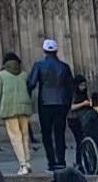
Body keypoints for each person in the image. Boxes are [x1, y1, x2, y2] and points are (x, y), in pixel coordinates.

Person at [27, 39, 75, 173]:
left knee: (46, 133)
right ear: (56, 51)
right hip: (61, 103)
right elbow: (70, 87)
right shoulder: (64, 67)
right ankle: (61, 160)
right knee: (60, 132)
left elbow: (31, 83)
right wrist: (68, 103)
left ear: (44, 51)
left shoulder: (39, 65)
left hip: (45, 103)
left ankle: (51, 161)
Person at [0, 52, 34, 176]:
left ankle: (22, 164)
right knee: (25, 136)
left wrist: (2, 103)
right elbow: (29, 90)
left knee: (15, 137)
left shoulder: (0, 76)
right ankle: (28, 162)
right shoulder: (24, 75)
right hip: (24, 108)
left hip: (9, 108)